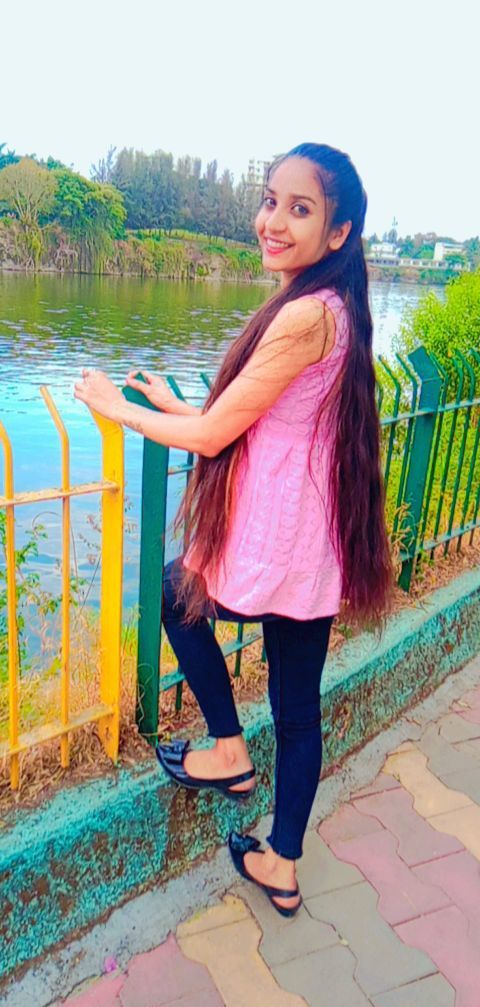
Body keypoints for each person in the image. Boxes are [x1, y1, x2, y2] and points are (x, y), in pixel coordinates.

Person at [74, 142, 394, 918]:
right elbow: (268, 419)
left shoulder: (306, 314)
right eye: (270, 200)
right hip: (310, 540)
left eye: (299, 208)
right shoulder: (333, 306)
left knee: (174, 593)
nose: (272, 221)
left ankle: (228, 749)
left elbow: (220, 435)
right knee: (297, 706)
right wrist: (181, 406)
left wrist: (118, 409)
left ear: (339, 232)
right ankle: (280, 861)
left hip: (279, 537)